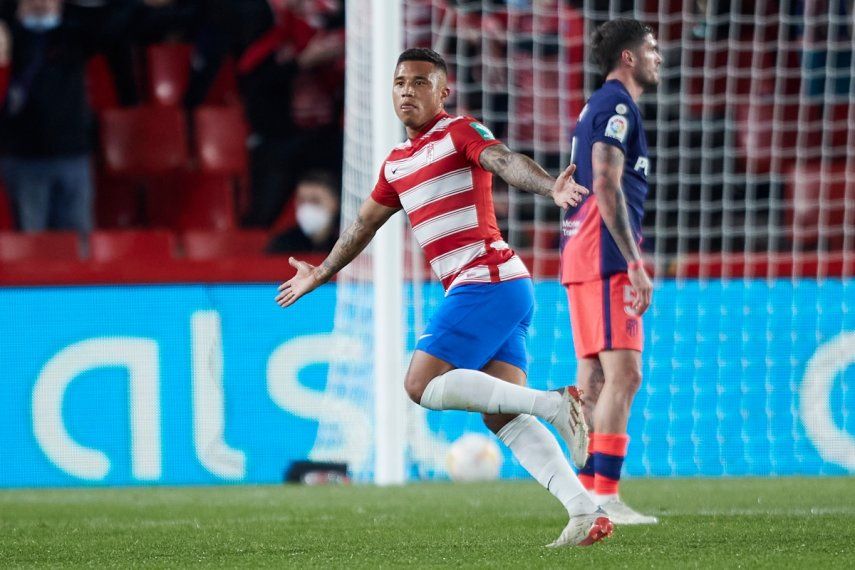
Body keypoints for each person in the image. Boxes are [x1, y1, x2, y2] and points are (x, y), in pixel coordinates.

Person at [277, 47, 613, 548]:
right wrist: (322, 273)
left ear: (442, 91)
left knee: (420, 384)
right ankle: (584, 511)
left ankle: (555, 402)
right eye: (399, 83)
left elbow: (503, 161)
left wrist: (548, 187)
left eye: (419, 81)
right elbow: (364, 224)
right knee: (501, 412)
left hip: (488, 280)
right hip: (500, 289)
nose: (407, 90)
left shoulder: (459, 132)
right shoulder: (395, 164)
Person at [559, 18, 660, 525]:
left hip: (581, 251)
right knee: (625, 373)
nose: (657, 57)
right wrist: (635, 263)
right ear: (628, 57)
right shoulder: (617, 105)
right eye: (651, 48)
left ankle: (586, 496)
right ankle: (605, 496)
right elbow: (604, 181)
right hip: (604, 255)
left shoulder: (599, 105)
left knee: (595, 378)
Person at [266, 170, 339, 254]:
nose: (307, 207)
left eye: (315, 201)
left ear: (335, 203)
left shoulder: (348, 243)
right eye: (302, 200)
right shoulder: (282, 245)